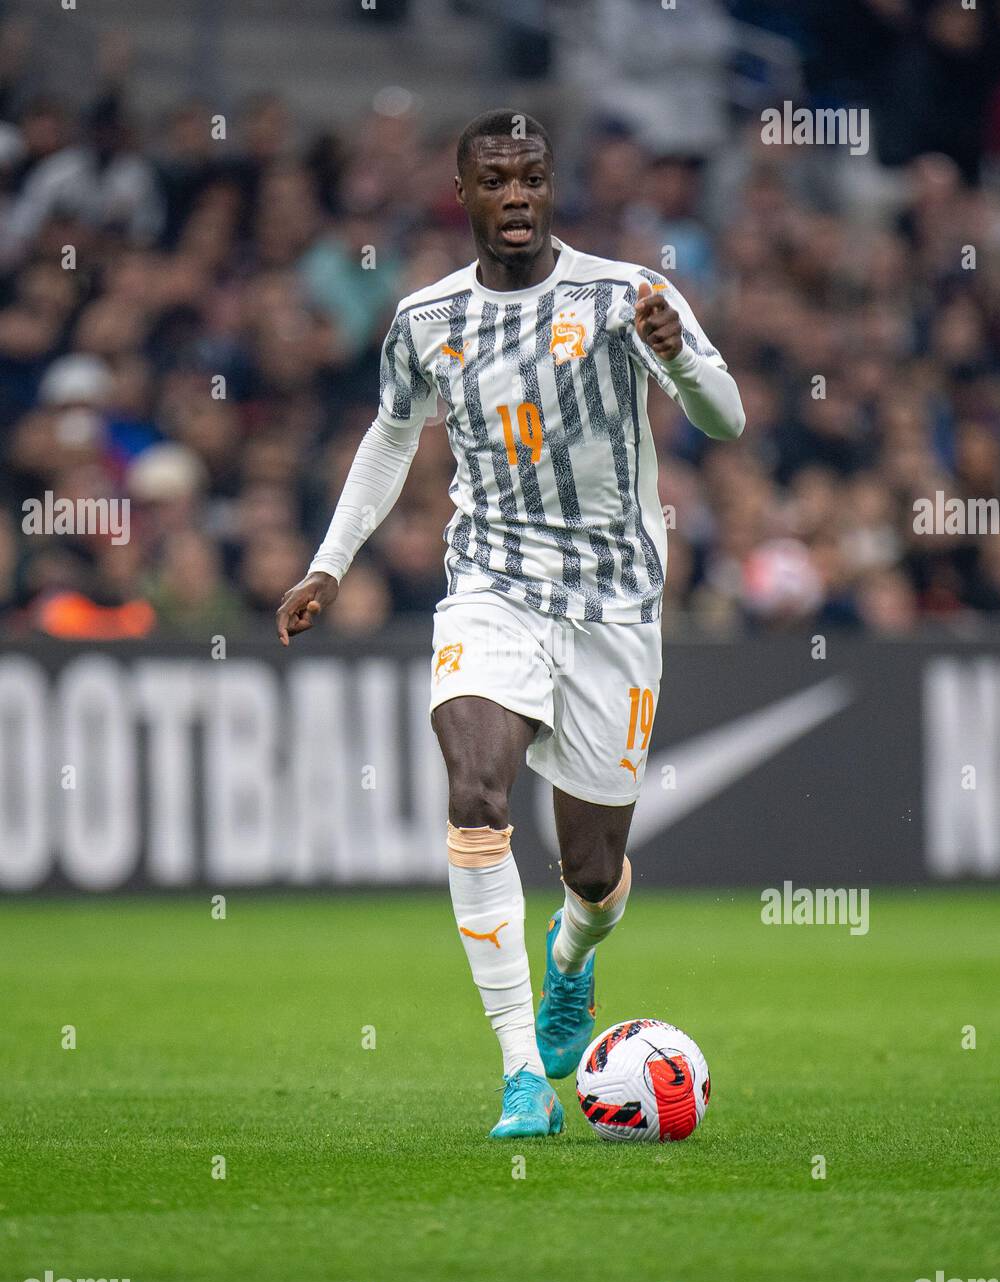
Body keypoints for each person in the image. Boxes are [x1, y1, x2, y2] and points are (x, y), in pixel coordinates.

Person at [276, 110, 745, 1138]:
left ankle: (571, 957)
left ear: (551, 184)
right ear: (465, 193)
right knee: (473, 784)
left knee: (590, 867)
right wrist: (328, 563)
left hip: (615, 604)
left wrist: (675, 360)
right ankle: (522, 1072)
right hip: (491, 583)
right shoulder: (426, 320)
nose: (517, 195)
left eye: (532, 175)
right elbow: (390, 439)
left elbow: (726, 416)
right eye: (496, 180)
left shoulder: (628, 296)